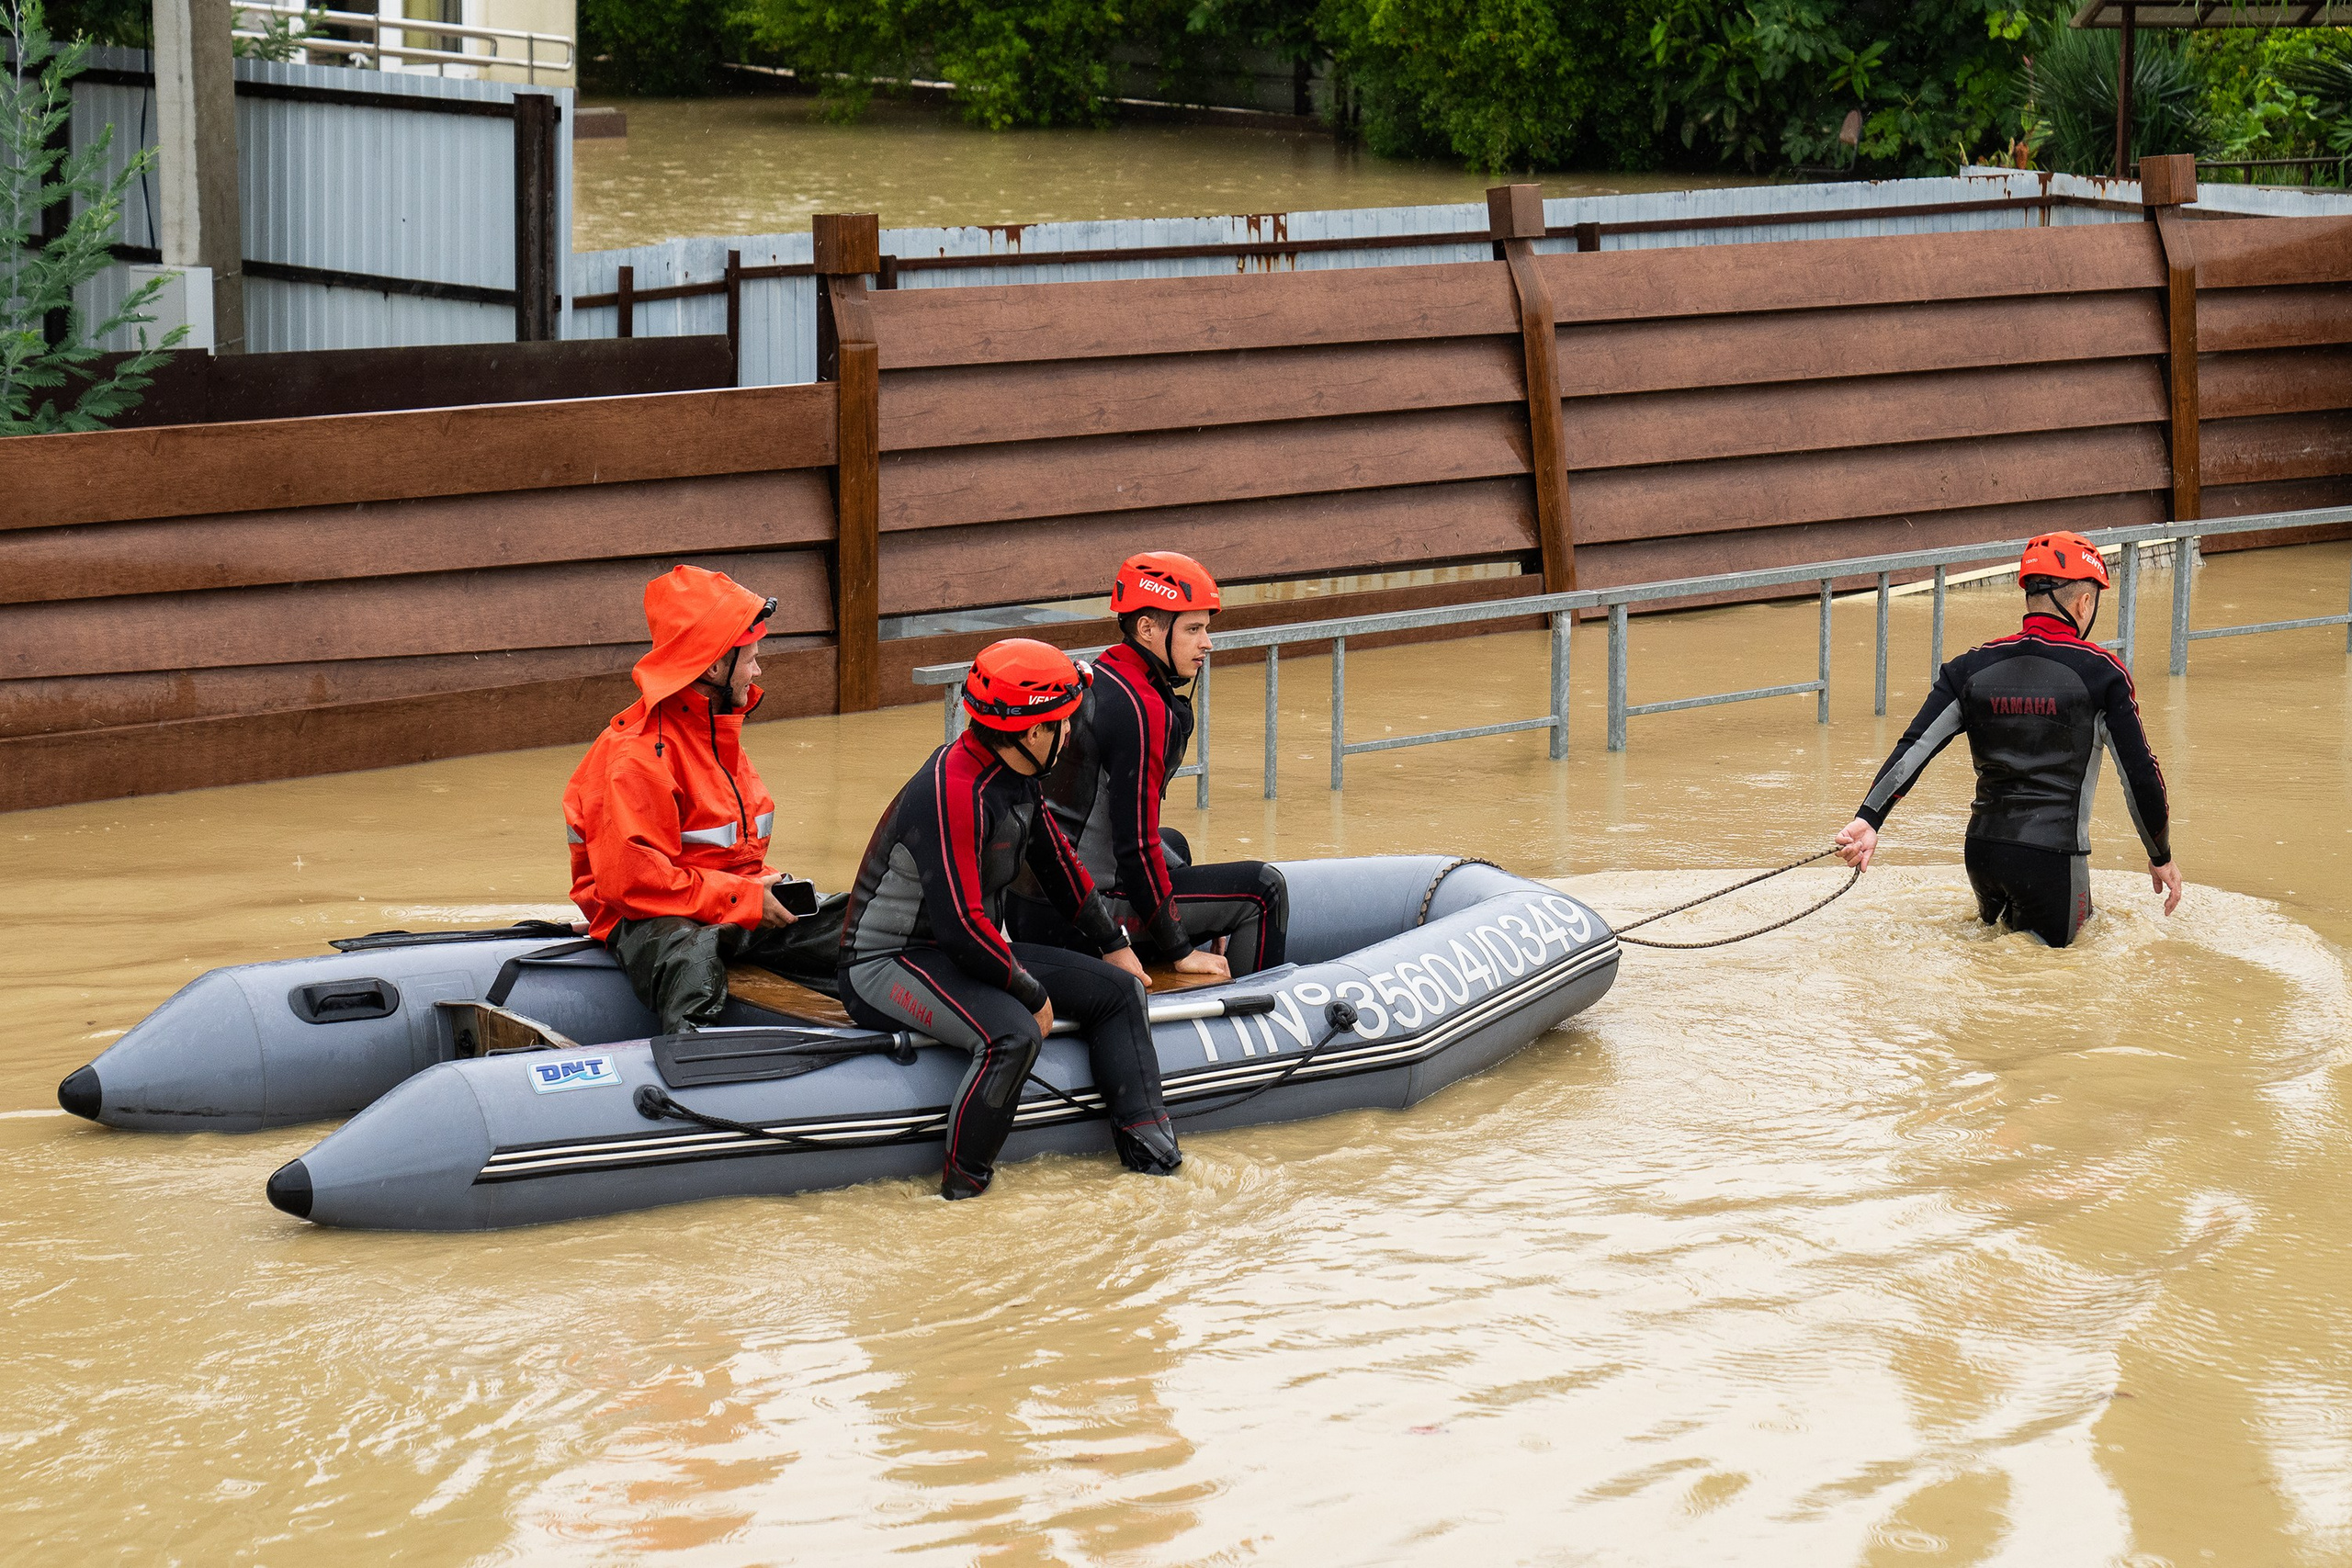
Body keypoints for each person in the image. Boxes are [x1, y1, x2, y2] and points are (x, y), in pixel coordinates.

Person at [836, 638, 1182, 1200]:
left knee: (1119, 992)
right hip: (885, 964)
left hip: (959, 950)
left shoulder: (1013, 774)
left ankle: (1153, 1160)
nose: (1071, 734)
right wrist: (1032, 994)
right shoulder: (952, 791)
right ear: (1028, 731)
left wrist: (1113, 943)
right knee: (1012, 1036)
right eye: (1063, 722)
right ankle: (962, 1193)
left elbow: (1058, 865)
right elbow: (960, 926)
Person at [1835, 531, 2183, 947]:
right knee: (2054, 983)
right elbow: (2141, 775)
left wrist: (1869, 820)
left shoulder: (1969, 668)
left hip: (1982, 852)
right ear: (2084, 603)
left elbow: (1914, 747)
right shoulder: (2102, 673)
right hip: (2053, 859)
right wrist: (2159, 854)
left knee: (1993, 966)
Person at [562, 565, 847, 1035]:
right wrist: (745, 898)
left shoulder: (716, 732)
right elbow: (638, 888)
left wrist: (764, 887)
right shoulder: (635, 756)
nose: (757, 669)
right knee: (691, 959)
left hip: (728, 903)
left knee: (861, 920)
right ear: (714, 666)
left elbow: (729, 852)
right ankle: (691, 1065)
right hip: (646, 918)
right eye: (750, 658)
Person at [1009, 552, 1289, 978]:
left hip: (1031, 905)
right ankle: (1252, 1013)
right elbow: (1135, 848)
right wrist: (1180, 948)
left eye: (1206, 629)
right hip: (1079, 919)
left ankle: (1166, 963)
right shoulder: (1143, 711)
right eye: (1194, 629)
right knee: (1264, 891)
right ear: (1147, 628)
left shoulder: (1104, 674)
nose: (1207, 643)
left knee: (1173, 841)